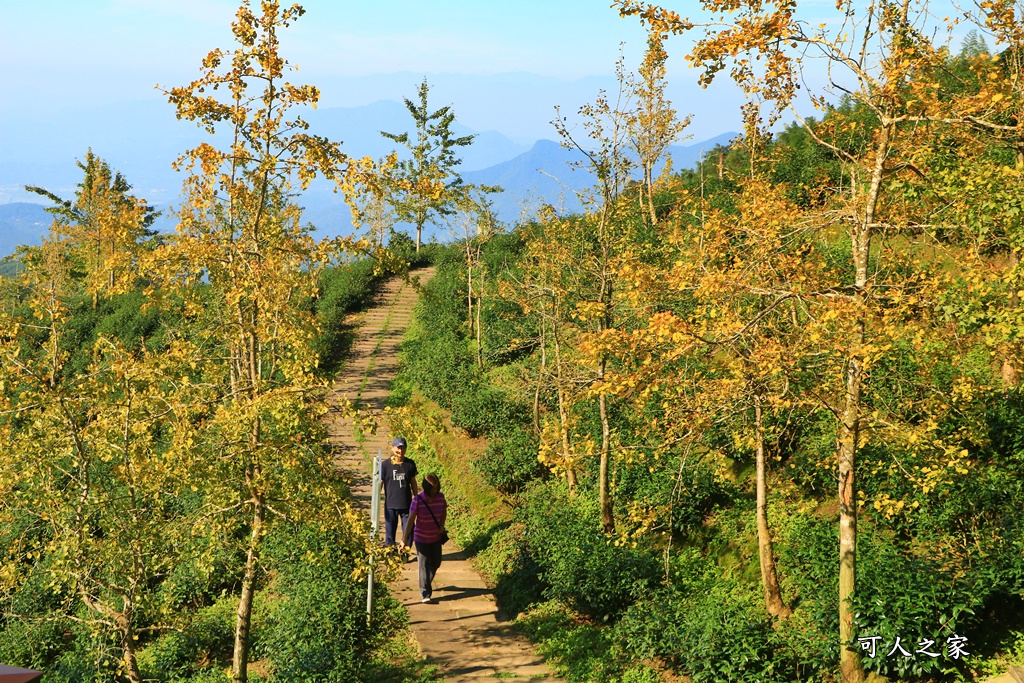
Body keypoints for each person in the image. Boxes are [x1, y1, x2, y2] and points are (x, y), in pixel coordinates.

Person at [403, 473, 447, 603]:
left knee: (436, 562)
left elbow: (444, 511)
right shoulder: (418, 500)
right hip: (421, 537)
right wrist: (405, 539)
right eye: (432, 488)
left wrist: (442, 525)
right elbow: (410, 519)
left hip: (435, 537)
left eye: (436, 487)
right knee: (423, 565)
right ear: (426, 487)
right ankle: (425, 593)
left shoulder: (441, 498)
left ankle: (426, 582)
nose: (434, 490)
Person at [381, 436, 419, 547]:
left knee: (409, 529)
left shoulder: (410, 464)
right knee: (390, 532)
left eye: (403, 448)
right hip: (390, 505)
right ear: (392, 448)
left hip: (407, 505)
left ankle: (405, 552)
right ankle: (391, 553)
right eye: (398, 448)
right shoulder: (385, 465)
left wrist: (416, 497)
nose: (400, 451)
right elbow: (381, 482)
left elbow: (413, 482)